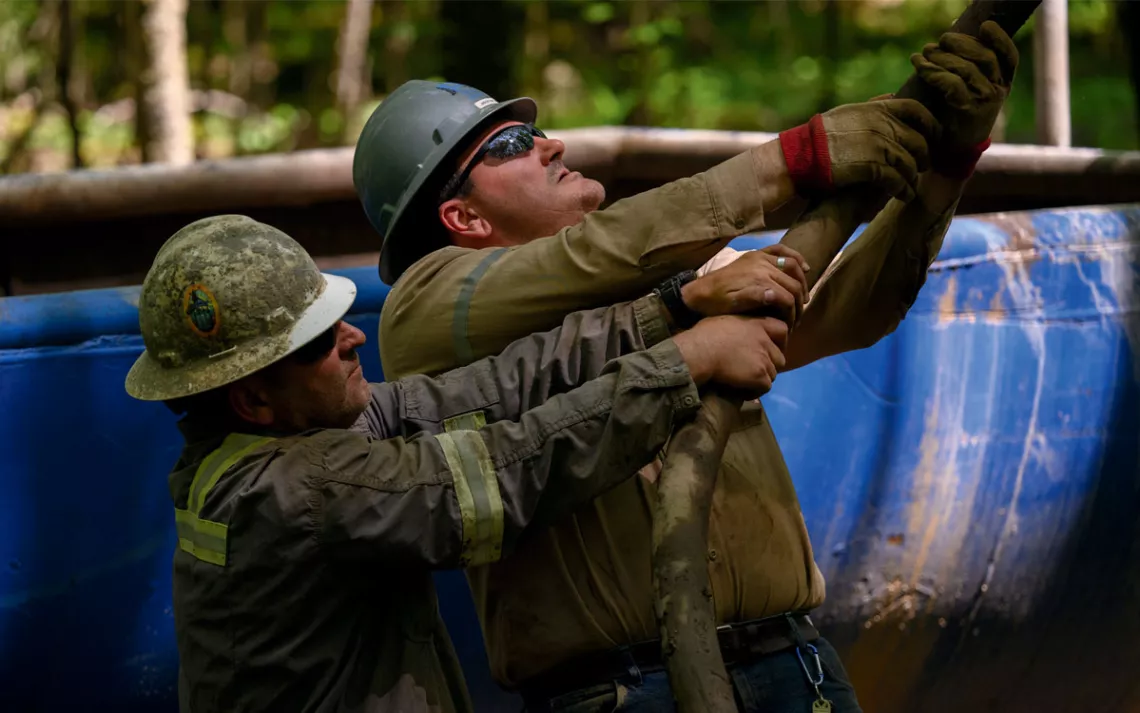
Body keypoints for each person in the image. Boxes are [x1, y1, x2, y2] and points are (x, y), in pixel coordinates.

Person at [352, 22, 1019, 713]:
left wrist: (946, 165)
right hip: (626, 690)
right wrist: (799, 159)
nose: (551, 143)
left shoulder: (673, 268)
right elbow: (595, 254)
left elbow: (839, 315)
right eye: (513, 144)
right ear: (461, 215)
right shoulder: (425, 309)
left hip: (795, 661)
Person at [124, 214, 796, 713]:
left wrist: (668, 308)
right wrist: (686, 363)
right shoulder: (304, 486)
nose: (354, 334)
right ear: (253, 398)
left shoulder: (248, 455)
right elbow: (509, 472)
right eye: (324, 341)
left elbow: (488, 388)